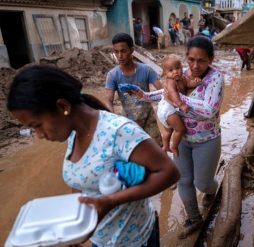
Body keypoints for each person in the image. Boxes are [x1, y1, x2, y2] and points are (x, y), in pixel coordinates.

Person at [6, 65, 180, 246]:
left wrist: (111, 201)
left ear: (63, 106)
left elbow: (169, 172)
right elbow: (81, 182)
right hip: (101, 239)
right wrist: (74, 228)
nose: (38, 135)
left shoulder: (118, 131)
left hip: (135, 240)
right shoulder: (73, 133)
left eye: (37, 125)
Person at [132, 36, 224, 239]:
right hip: (182, 139)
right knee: (184, 180)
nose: (195, 66)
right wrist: (145, 95)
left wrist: (176, 97)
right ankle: (194, 217)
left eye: (201, 60)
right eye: (191, 60)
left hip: (206, 139)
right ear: (186, 58)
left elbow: (209, 110)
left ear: (211, 59)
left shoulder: (216, 79)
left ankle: (212, 190)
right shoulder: (180, 73)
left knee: (203, 183)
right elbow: (165, 92)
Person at [135, 54, 202, 157]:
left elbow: (189, 84)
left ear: (182, 67)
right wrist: (182, 105)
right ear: (165, 74)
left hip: (164, 110)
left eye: (178, 68)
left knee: (168, 131)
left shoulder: (182, 78)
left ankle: (165, 146)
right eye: (171, 70)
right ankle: (174, 146)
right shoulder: (170, 82)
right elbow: (174, 94)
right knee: (180, 129)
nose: (175, 72)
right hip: (168, 109)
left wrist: (196, 82)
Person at [105, 33, 162, 145]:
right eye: (116, 52)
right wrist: (112, 119)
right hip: (128, 121)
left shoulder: (146, 70)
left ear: (132, 50)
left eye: (123, 51)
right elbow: (108, 100)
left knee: (157, 152)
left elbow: (163, 90)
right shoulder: (113, 75)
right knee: (132, 155)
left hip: (149, 119)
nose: (119, 55)